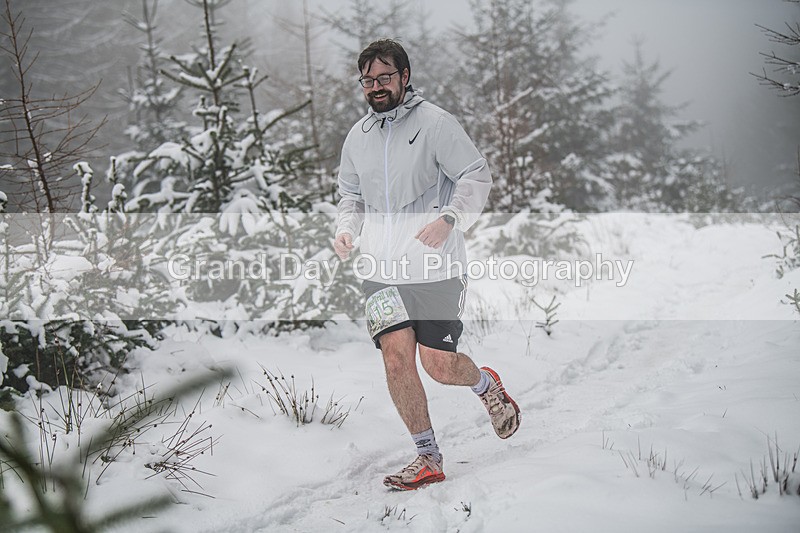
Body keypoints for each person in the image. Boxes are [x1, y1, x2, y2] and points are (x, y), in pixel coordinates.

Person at [333, 39, 521, 491]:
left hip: (435, 267)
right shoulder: (358, 136)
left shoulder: (436, 124)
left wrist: (449, 219)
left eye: (384, 77)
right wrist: (346, 229)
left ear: (404, 76)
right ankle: (428, 456)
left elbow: (476, 175)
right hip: (380, 270)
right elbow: (351, 197)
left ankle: (484, 383)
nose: (376, 86)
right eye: (368, 79)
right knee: (397, 361)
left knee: (438, 365)